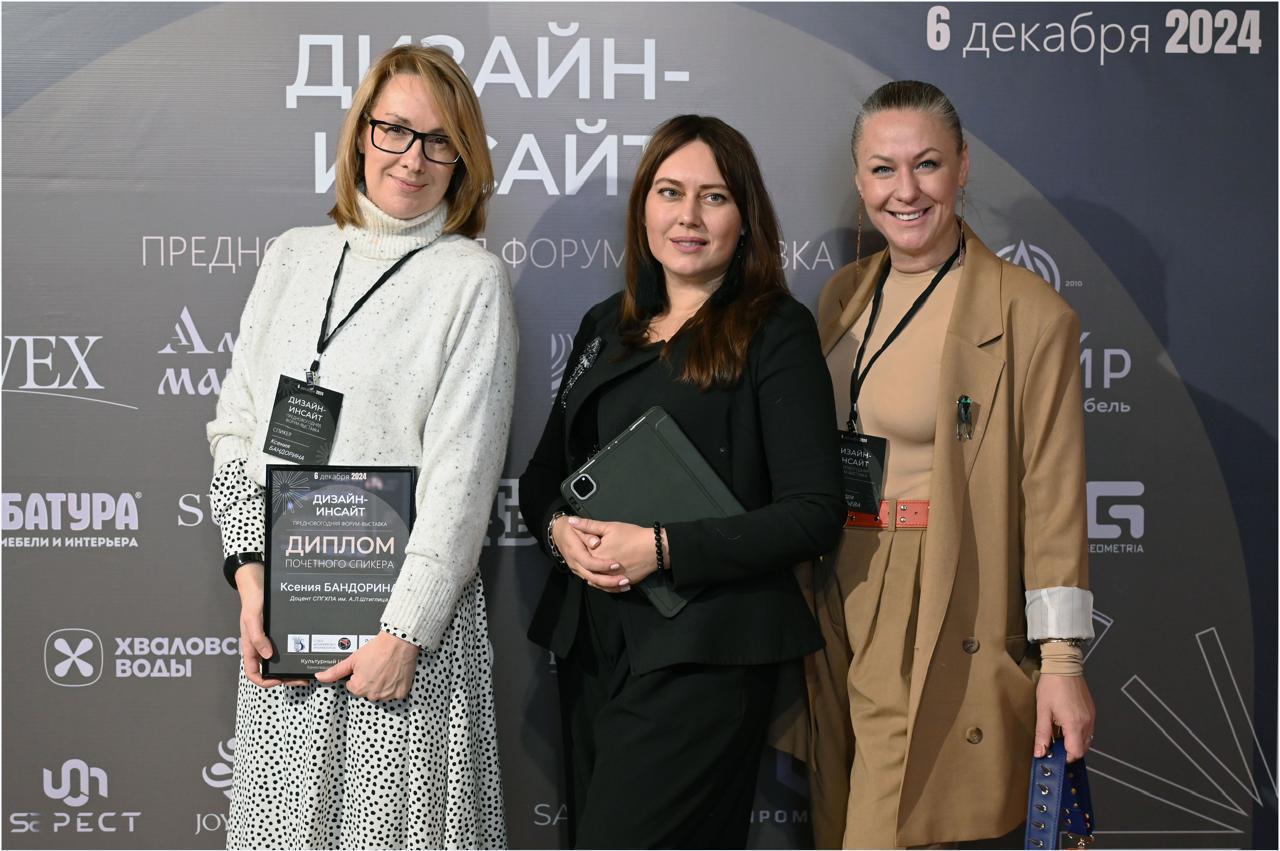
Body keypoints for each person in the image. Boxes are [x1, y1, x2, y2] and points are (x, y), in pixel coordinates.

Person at [206, 45, 514, 849]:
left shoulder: (469, 279)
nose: (413, 158)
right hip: (286, 627)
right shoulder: (291, 256)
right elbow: (236, 425)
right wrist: (251, 572)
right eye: (395, 130)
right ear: (361, 134)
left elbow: (463, 475)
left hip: (402, 645)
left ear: (464, 160)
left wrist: (405, 632)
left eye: (440, 141)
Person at [518, 114, 845, 849]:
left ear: (745, 217)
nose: (688, 216)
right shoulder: (607, 324)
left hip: (705, 651)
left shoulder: (775, 329)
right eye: (669, 192)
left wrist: (661, 547)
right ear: (644, 208)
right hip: (593, 643)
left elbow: (814, 512)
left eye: (713, 197)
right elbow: (543, 478)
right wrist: (559, 531)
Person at [804, 80, 1097, 849]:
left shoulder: (1030, 315)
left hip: (931, 591)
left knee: (884, 827)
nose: (905, 191)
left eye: (927, 164)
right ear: (859, 179)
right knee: (834, 812)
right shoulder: (843, 296)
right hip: (836, 579)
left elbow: (1054, 502)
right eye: (883, 169)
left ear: (962, 167)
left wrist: (1061, 660)